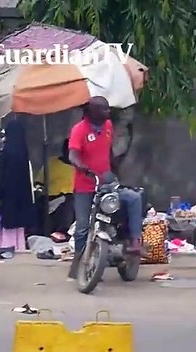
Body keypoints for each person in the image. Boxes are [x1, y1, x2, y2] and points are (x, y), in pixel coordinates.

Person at [67, 96, 144, 277]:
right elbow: (72, 155)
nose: (107, 112)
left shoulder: (108, 126)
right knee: (83, 228)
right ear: (91, 111)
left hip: (107, 183)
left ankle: (134, 242)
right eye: (103, 109)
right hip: (86, 186)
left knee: (133, 198)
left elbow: (107, 152)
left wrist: (113, 169)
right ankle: (79, 264)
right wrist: (82, 167)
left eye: (107, 109)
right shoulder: (79, 130)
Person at [0, 117, 35, 254]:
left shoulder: (5, 154)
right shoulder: (24, 153)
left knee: (8, 222)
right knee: (18, 224)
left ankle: (5, 246)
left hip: (7, 195)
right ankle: (18, 246)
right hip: (22, 196)